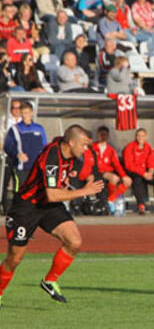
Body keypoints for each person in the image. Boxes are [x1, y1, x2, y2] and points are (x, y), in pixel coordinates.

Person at [0, 125, 104, 307]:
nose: (86, 149)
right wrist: (84, 191)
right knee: (14, 258)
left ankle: (49, 281)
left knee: (74, 242)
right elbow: (53, 194)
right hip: (26, 208)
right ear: (71, 143)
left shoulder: (70, 153)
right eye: (84, 145)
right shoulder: (52, 158)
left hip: (49, 207)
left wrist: (72, 178)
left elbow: (66, 176)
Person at [3, 102, 47, 192]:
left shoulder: (39, 128)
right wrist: (17, 154)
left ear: (32, 113)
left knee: (35, 192)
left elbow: (44, 146)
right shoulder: (15, 128)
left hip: (36, 167)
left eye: (27, 113)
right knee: (20, 192)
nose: (25, 115)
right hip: (21, 167)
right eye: (23, 113)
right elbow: (8, 146)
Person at [91, 126, 131, 205]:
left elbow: (117, 165)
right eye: (101, 134)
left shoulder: (111, 150)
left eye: (105, 135)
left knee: (127, 181)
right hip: (96, 171)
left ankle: (111, 199)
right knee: (113, 178)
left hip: (106, 172)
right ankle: (109, 200)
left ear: (108, 136)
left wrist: (123, 176)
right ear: (98, 135)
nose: (103, 137)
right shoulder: (92, 147)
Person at [123, 128, 154, 214]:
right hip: (133, 172)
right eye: (138, 136)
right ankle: (141, 205)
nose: (140, 138)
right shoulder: (129, 147)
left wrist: (151, 172)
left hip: (146, 173)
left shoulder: (148, 148)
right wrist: (143, 173)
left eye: (142, 136)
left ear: (146, 137)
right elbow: (129, 165)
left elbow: (151, 162)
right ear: (135, 137)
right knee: (138, 179)